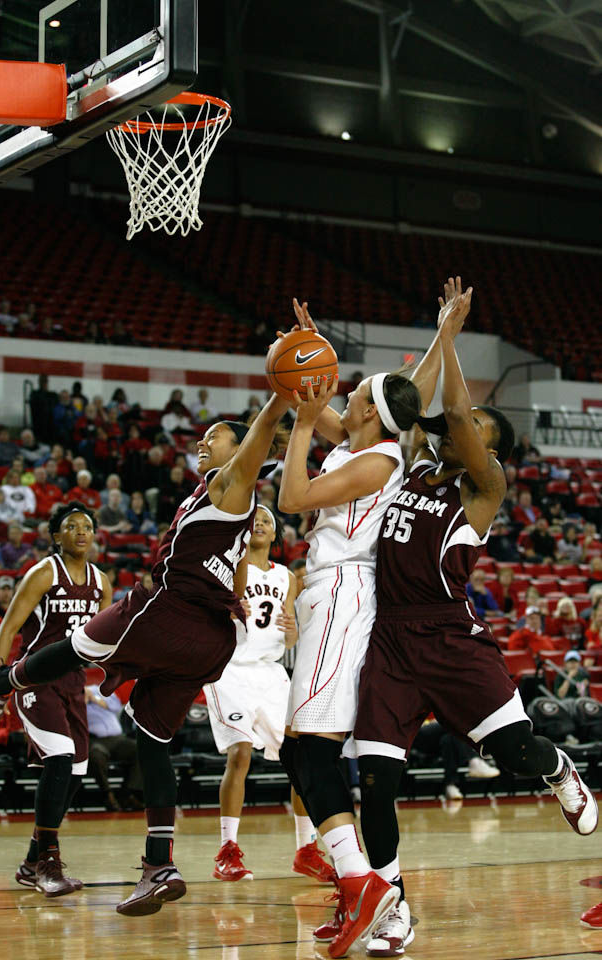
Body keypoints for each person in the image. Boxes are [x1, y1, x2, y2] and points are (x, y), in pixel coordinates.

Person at [334, 278, 596, 958]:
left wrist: (450, 340)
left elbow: (450, 410)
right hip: (389, 638)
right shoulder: (414, 469)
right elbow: (417, 406)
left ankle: (557, 768)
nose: (458, 427)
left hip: (450, 636)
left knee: (513, 755)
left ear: (491, 449)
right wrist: (440, 334)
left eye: (475, 427)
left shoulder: (486, 486)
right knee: (376, 782)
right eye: (462, 423)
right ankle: (393, 910)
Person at [0, 392, 291, 917]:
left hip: (168, 612)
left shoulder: (229, 486)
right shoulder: (239, 509)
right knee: (151, 739)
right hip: (212, 639)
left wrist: (280, 392)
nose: (202, 442)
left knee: (73, 648)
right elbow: (234, 582)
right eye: (203, 436)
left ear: (240, 450)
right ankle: (159, 862)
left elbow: (257, 440)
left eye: (216, 437)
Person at [275, 299, 424, 955]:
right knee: (301, 752)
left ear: (371, 412)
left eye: (356, 392)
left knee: (310, 750)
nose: (348, 392)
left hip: (343, 596)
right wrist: (301, 354)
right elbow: (312, 401)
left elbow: (292, 500)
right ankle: (362, 888)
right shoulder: (358, 444)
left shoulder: (380, 460)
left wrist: (304, 424)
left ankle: (366, 885)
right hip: (327, 597)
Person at [0, 503, 111, 896]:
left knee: (74, 776)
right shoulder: (43, 573)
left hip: (72, 684)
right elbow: (8, 628)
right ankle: (48, 863)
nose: (80, 532)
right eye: (71, 526)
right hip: (35, 679)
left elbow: (103, 643)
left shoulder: (101, 582)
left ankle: (30, 862)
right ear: (56, 535)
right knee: (58, 761)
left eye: (87, 526)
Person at [204, 505, 334, 884]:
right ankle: (227, 851)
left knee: (301, 759)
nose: (259, 524)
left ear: (276, 535)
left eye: (266, 521)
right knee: (241, 752)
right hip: (229, 670)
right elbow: (208, 616)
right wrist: (225, 610)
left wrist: (292, 629)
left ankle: (306, 850)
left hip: (271, 671)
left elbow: (289, 637)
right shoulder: (228, 570)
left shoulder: (287, 578)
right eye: (253, 520)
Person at [85, 683, 143, 812]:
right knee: (96, 756)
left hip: (117, 738)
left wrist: (94, 699)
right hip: (94, 740)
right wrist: (81, 701)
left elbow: (116, 707)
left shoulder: (99, 690)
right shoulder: (72, 696)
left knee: (140, 750)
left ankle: (128, 793)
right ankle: (108, 795)